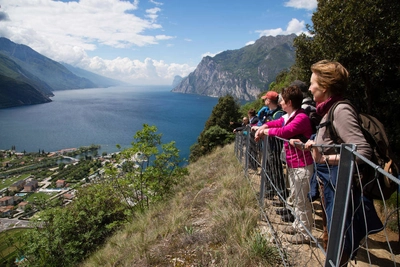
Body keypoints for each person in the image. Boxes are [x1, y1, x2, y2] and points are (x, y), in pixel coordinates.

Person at [297, 60, 383, 265]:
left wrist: (324, 158)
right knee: (332, 236)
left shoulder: (340, 110)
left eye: (312, 83)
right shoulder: (327, 110)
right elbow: (332, 142)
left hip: (339, 187)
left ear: (325, 87)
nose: (309, 88)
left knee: (340, 240)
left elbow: (362, 151)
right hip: (330, 184)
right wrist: (312, 143)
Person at [255, 85, 314, 244]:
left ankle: (305, 233)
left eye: (282, 100)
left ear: (288, 102)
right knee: (296, 196)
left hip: (302, 164)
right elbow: (278, 123)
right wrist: (264, 126)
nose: (280, 102)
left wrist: (265, 132)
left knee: (301, 200)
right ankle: (297, 224)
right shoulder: (290, 115)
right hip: (294, 163)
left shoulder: (301, 118)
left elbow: (284, 132)